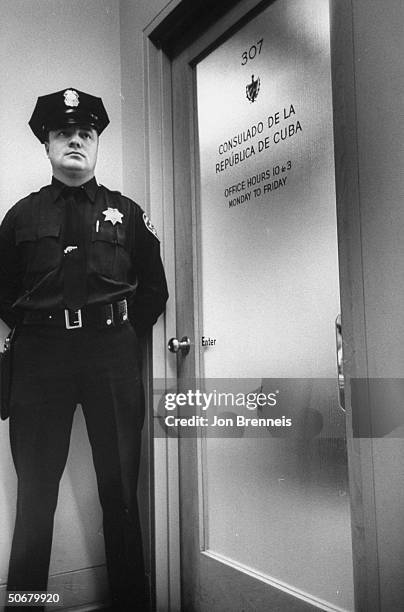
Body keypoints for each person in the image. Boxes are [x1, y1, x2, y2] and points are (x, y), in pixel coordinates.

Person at [0, 88, 168, 611]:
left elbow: (154, 291)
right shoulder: (20, 217)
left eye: (86, 134)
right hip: (40, 359)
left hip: (110, 356)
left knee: (120, 493)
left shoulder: (127, 213)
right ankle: (29, 605)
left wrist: (114, 332)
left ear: (96, 144)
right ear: (46, 144)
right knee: (35, 497)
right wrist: (45, 325)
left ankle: (130, 605)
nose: (75, 140)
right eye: (63, 134)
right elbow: (1, 292)